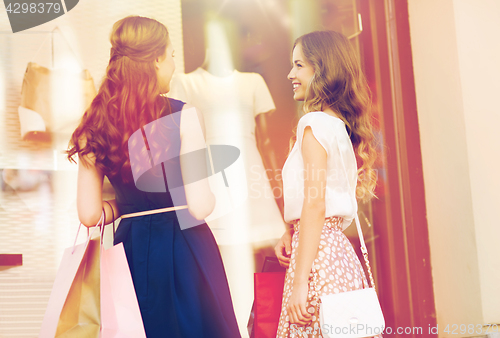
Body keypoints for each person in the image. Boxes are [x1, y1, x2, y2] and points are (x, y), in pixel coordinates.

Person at [67, 16, 241, 338]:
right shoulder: (183, 114)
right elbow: (200, 206)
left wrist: (124, 205)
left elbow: (90, 214)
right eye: (172, 56)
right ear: (157, 59)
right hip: (185, 248)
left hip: (131, 251)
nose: (174, 65)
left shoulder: (94, 123)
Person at [274, 30, 379, 337]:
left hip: (318, 259)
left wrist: (300, 281)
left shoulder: (314, 123)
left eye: (299, 65)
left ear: (322, 69)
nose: (291, 74)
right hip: (338, 256)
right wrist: (290, 231)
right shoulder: (338, 127)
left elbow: (316, 203)